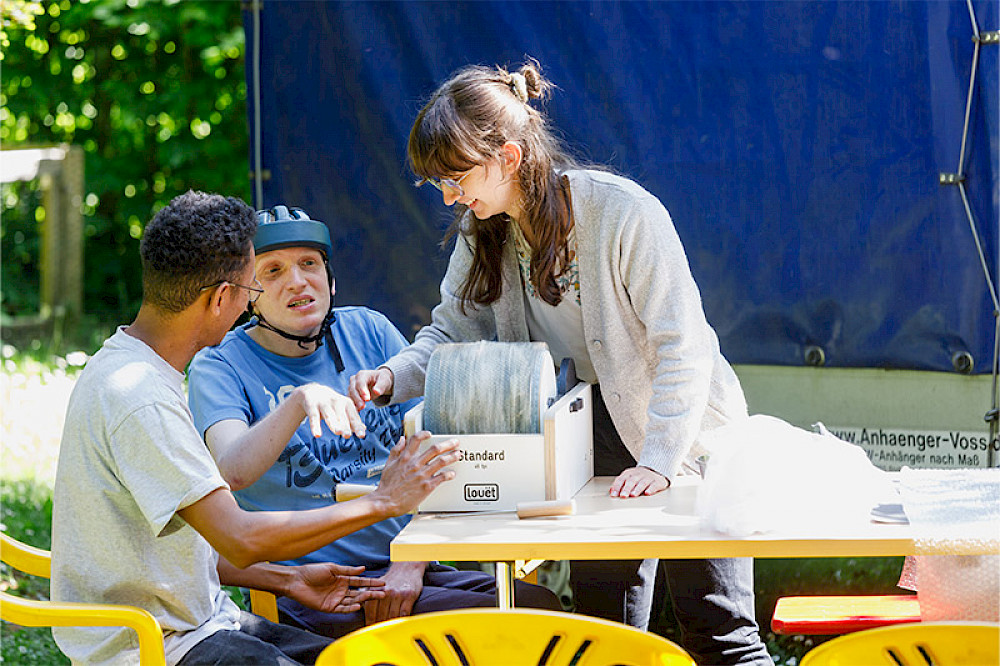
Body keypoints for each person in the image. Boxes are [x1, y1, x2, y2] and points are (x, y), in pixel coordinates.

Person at [348, 61, 772, 665]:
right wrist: (394, 376)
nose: (449, 196)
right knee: (603, 633)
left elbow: (684, 346)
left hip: (685, 429)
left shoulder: (623, 212)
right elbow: (452, 330)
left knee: (719, 631)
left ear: (510, 157)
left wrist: (659, 459)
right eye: (438, 183)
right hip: (585, 434)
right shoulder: (481, 230)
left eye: (457, 177)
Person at [50, 191, 460, 666]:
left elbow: (188, 544)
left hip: (209, 622)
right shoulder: (141, 398)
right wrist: (384, 501)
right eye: (252, 287)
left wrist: (288, 579)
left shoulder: (132, 370)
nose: (251, 303)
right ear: (221, 298)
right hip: (160, 648)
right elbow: (239, 538)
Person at [187, 205, 561, 638]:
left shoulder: (368, 330)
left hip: (409, 569)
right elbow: (232, 469)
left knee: (539, 609)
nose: (297, 281)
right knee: (511, 630)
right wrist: (299, 403)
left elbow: (438, 455)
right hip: (314, 590)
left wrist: (411, 562)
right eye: (272, 271)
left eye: (309, 263)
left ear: (330, 278)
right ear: (247, 294)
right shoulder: (220, 365)